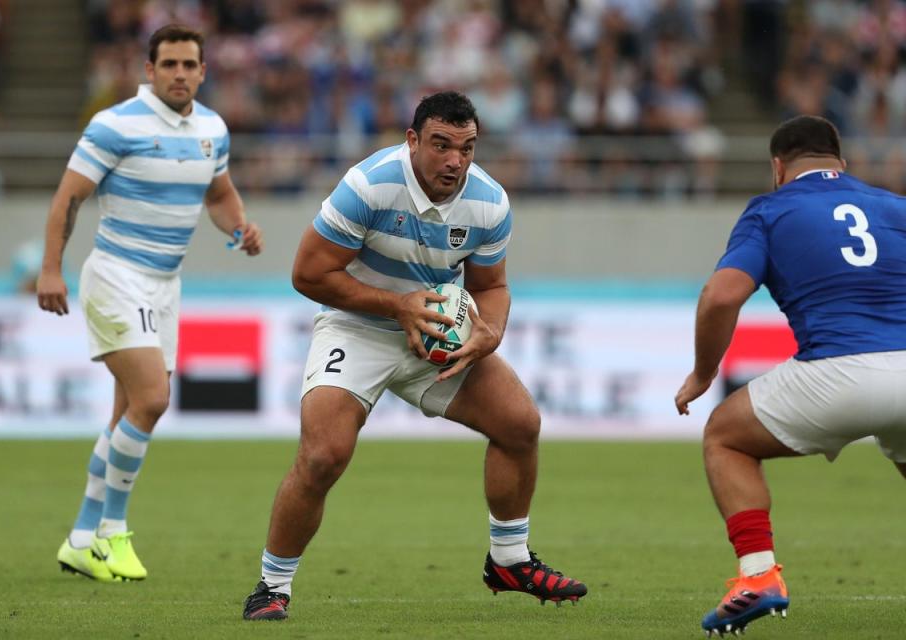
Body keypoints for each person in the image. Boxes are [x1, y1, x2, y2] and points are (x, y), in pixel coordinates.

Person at [241, 91, 587, 621]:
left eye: (467, 148)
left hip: (434, 331)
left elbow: (491, 286)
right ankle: (271, 586)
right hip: (356, 327)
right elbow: (308, 275)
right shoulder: (369, 185)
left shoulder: (489, 202)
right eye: (441, 145)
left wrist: (489, 333)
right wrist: (395, 305)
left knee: (520, 423)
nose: (455, 160)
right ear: (412, 140)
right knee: (322, 456)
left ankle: (510, 560)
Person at [37, 24, 263, 582]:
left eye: (190, 65)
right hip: (117, 275)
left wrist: (239, 227)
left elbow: (218, 192)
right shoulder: (115, 125)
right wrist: (49, 268)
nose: (180, 74)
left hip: (165, 286)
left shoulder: (213, 128)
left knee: (126, 414)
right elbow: (70, 196)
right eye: (170, 65)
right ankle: (112, 533)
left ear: (203, 71)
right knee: (153, 399)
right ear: (150, 70)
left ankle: (81, 539)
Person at [675, 114, 906, 636]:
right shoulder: (896, 207)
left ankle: (759, 576)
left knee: (726, 437)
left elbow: (721, 296)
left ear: (777, 168)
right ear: (842, 163)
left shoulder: (770, 210)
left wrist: (702, 373)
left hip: (838, 371)